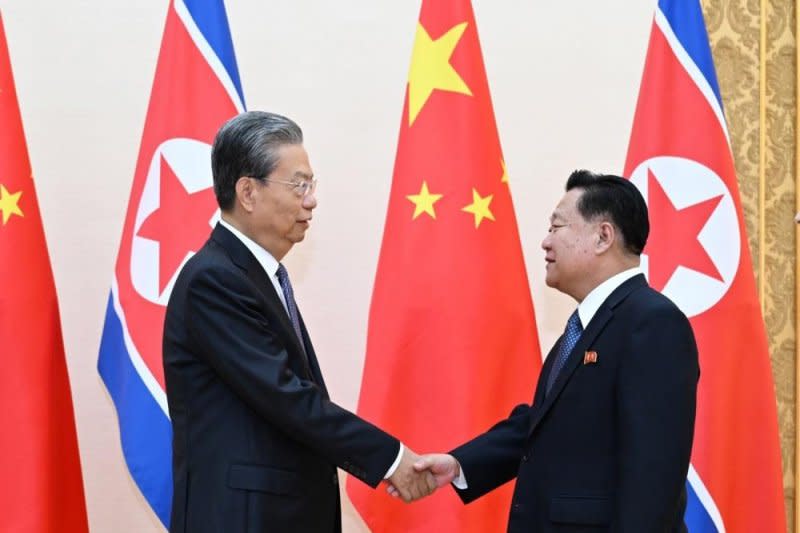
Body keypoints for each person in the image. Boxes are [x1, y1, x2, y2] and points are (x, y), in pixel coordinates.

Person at [163, 110, 434, 533]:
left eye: (312, 185)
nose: (311, 200)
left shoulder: (255, 276)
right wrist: (392, 459)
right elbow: (288, 398)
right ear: (248, 192)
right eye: (299, 185)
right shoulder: (214, 280)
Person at [409, 170, 700, 532]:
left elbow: (654, 478)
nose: (545, 243)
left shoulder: (652, 322)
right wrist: (460, 464)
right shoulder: (583, 327)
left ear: (602, 237)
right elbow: (544, 425)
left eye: (556, 227)